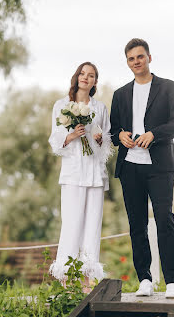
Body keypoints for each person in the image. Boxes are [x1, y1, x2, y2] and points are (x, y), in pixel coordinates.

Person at [110, 39, 174, 298]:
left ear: (149, 58)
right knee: (137, 224)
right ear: (128, 62)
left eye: (140, 57)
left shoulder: (168, 87)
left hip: (160, 166)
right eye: (131, 59)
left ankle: (172, 281)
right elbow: (113, 131)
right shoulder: (120, 94)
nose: (136, 62)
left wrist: (154, 134)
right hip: (130, 166)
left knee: (164, 219)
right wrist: (120, 135)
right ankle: (144, 279)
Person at [48, 62, 112, 292]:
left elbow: (107, 143)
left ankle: (88, 280)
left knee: (92, 224)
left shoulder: (100, 108)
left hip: (95, 174)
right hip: (73, 173)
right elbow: (55, 142)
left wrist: (99, 140)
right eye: (83, 74)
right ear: (76, 77)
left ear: (95, 81)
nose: (86, 78)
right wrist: (72, 135)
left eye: (91, 75)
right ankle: (66, 279)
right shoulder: (61, 106)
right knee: (72, 222)